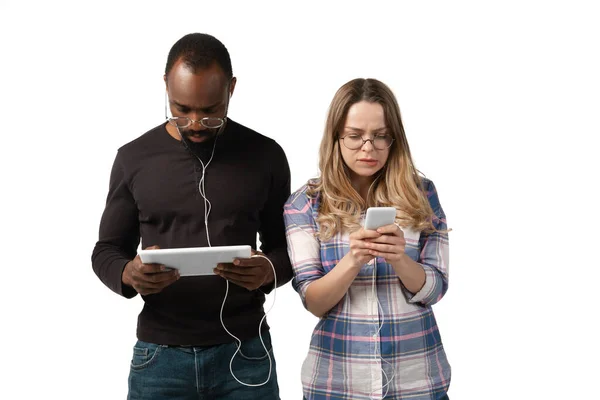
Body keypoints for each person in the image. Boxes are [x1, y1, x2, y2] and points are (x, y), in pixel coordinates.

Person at [91, 33, 292, 400]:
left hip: (245, 352)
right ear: (166, 85)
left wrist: (269, 270)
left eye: (210, 110)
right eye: (181, 109)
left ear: (231, 89)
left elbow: (288, 247)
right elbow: (105, 250)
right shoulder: (133, 159)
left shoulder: (266, 156)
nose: (196, 122)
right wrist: (127, 274)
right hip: (160, 360)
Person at [284, 78, 451, 400]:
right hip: (338, 383)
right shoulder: (305, 203)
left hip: (417, 381)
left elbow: (436, 289)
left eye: (380, 137)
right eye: (355, 136)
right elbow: (314, 301)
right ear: (336, 137)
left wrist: (400, 258)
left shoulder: (422, 194)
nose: (368, 148)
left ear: (394, 139)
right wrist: (353, 260)